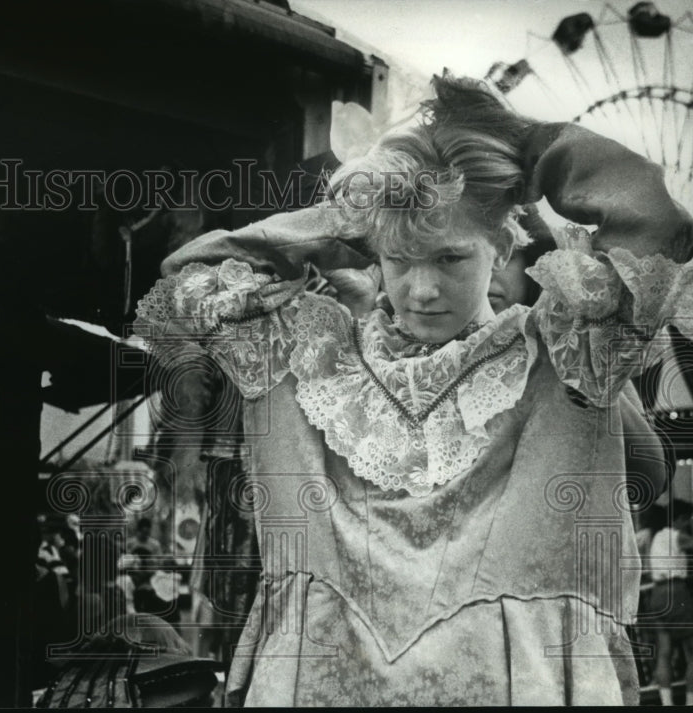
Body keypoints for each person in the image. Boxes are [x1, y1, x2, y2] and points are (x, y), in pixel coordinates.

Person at [135, 74, 693, 705]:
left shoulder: (568, 350)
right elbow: (192, 275)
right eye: (400, 259)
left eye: (451, 258)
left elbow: (657, 225)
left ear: (502, 242)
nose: (421, 289)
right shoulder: (312, 354)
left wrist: (526, 146)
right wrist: (355, 213)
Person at [646, 501, 693, 705]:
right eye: (687, 519)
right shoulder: (678, 536)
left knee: (664, 652)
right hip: (676, 593)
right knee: (691, 652)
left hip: (657, 595)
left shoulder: (656, 536)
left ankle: (667, 704)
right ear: (678, 519)